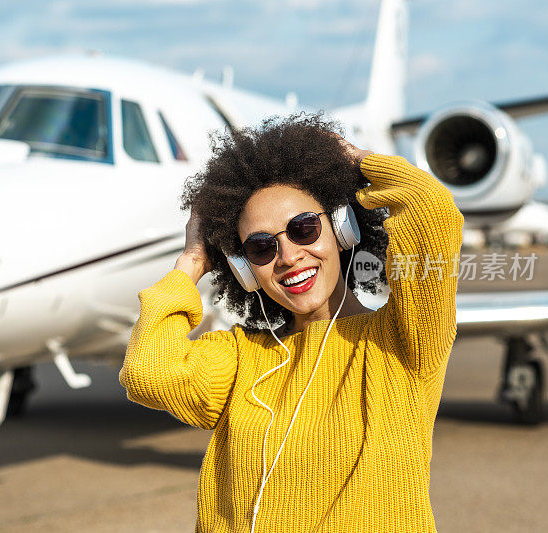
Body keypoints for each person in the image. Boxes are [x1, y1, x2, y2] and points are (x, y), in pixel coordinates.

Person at [119, 112, 464, 532]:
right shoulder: (242, 357)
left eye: (303, 228)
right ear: (245, 270)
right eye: (262, 247)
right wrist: (190, 263)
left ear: (342, 229)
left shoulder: (405, 341)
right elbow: (149, 374)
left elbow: (432, 212)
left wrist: (358, 161)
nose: (288, 256)